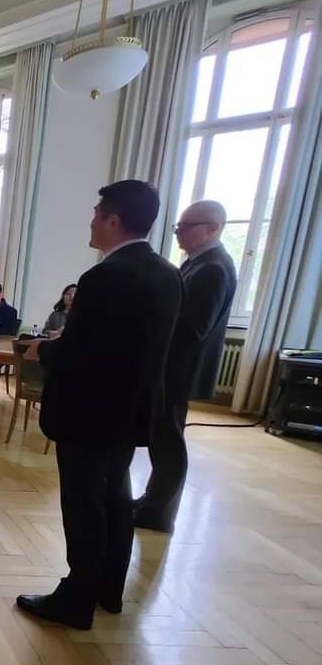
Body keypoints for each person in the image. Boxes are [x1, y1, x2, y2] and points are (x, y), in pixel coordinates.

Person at [15, 180, 182, 631]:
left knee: (84, 503)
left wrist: (40, 352)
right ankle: (109, 588)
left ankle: (75, 599)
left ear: (113, 220)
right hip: (129, 414)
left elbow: (83, 351)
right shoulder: (168, 274)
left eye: (95, 214)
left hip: (89, 414)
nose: (90, 221)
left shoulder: (103, 276)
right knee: (115, 497)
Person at [134, 200, 237, 534]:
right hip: (174, 368)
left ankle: (159, 513)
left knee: (169, 441)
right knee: (163, 438)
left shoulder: (213, 268)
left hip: (178, 369)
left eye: (185, 226)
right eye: (178, 226)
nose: (178, 232)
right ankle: (153, 500)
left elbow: (193, 328)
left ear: (213, 228)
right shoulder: (199, 263)